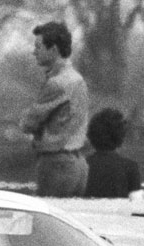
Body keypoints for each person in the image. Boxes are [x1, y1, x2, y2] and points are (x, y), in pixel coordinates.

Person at [19, 21, 89, 198]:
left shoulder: (56, 83)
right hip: (78, 164)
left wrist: (26, 119)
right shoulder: (78, 79)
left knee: (46, 219)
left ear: (54, 49)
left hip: (57, 164)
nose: (34, 52)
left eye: (39, 46)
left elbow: (29, 123)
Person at [84, 108, 144, 200]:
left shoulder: (82, 167)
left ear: (91, 135)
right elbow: (137, 203)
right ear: (120, 136)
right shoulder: (130, 167)